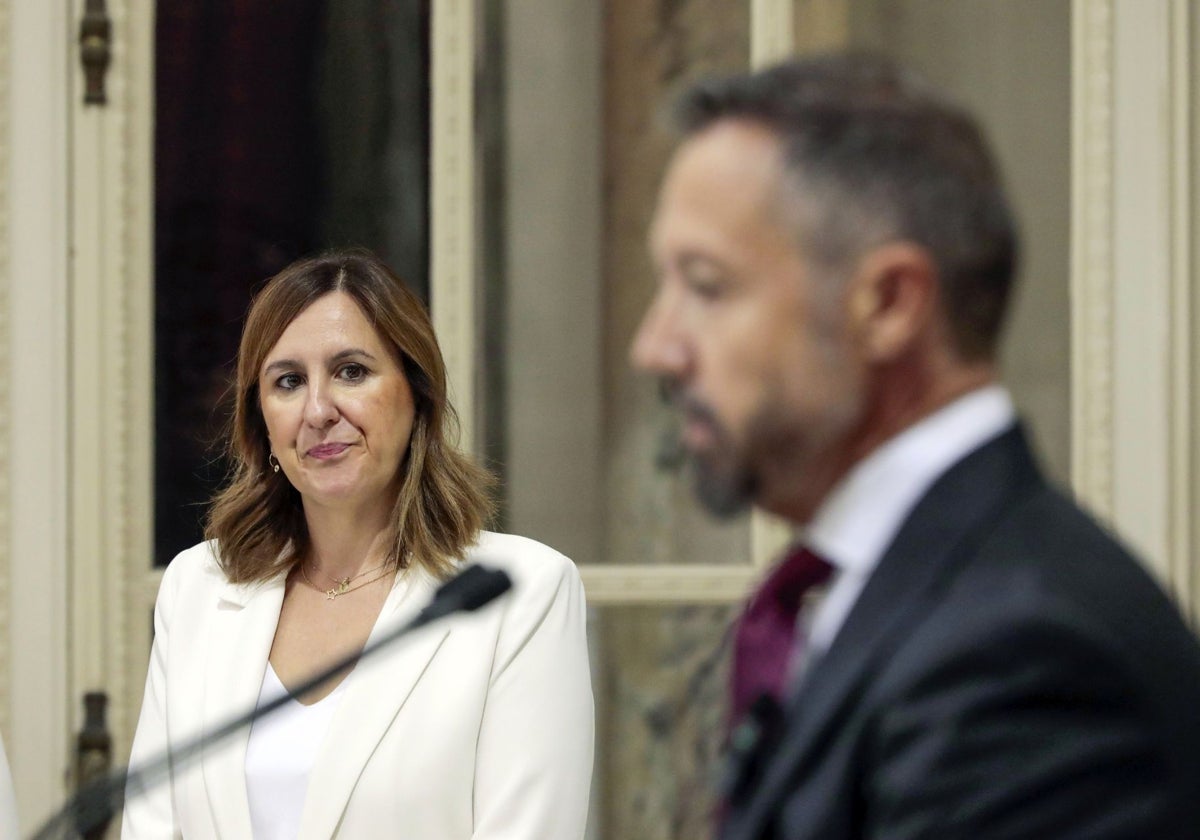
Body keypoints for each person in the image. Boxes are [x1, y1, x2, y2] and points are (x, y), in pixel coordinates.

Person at [631, 53, 1200, 839]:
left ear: (890, 305)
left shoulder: (1025, 655)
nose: (656, 348)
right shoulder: (884, 591)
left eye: (707, 285)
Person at [123, 248, 594, 838]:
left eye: (351, 372)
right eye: (289, 382)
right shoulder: (198, 586)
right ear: (262, 419)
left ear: (416, 396)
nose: (319, 410)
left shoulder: (522, 593)